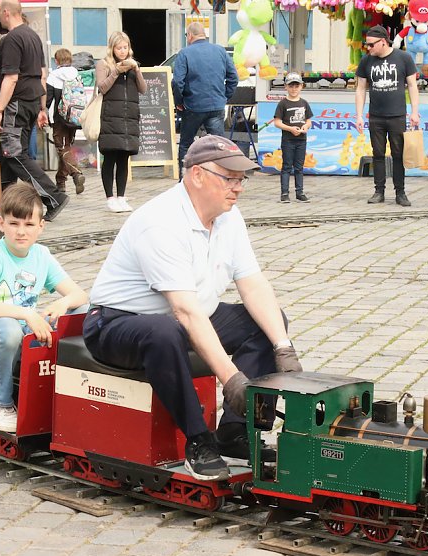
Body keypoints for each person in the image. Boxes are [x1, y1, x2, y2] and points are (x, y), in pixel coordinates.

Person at [83, 135, 302, 481]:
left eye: (241, 178)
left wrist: (283, 347)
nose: (238, 187)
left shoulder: (229, 217)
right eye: (229, 177)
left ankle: (233, 432)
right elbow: (184, 311)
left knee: (270, 322)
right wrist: (231, 379)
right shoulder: (160, 222)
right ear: (197, 175)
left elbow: (253, 283)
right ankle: (198, 440)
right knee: (164, 331)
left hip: (189, 315)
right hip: (117, 323)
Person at [0, 182, 89, 432]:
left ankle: (66, 388)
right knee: (8, 329)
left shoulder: (41, 255)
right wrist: (28, 313)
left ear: (41, 226)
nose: (21, 232)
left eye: (29, 225)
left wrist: (61, 303)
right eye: (14, 223)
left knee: (81, 312)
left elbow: (79, 294)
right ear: (1, 224)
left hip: (23, 329)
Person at [0, 0, 69, 222]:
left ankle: (54, 197)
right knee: (5, 159)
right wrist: (42, 107)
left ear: (6, 13)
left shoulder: (12, 39)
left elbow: (11, 77)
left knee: (13, 153)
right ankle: (7, 208)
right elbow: (43, 74)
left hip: (16, 103)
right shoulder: (33, 37)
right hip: (32, 101)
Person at [354, 25, 420, 207]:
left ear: (383, 42)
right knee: (378, 154)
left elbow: (413, 86)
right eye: (366, 45)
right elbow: (360, 89)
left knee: (399, 154)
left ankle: (400, 192)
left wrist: (414, 111)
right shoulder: (366, 61)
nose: (368, 48)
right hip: (376, 115)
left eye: (371, 44)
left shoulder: (404, 57)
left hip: (397, 115)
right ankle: (379, 191)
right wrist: (359, 115)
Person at [172, 22, 238, 177]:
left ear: (189, 35)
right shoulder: (220, 51)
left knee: (186, 145)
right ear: (204, 35)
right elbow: (233, 77)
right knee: (219, 146)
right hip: (216, 106)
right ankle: (221, 178)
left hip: (193, 107)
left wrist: (179, 102)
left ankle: (184, 181)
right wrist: (224, 96)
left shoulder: (185, 53)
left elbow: (177, 82)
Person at [94, 32, 147, 213]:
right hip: (110, 117)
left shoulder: (133, 65)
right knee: (110, 157)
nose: (123, 51)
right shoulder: (104, 64)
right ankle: (110, 198)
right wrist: (116, 71)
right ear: (112, 48)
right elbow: (102, 87)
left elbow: (143, 89)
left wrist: (137, 70)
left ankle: (122, 197)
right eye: (119, 48)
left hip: (128, 118)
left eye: (125, 47)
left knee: (124, 158)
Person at [46, 48, 86, 195]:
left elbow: (48, 100)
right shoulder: (76, 74)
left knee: (63, 148)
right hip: (74, 117)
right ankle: (60, 181)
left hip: (59, 118)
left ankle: (76, 174)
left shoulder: (53, 76)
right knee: (66, 147)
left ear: (56, 61)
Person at [273, 72, 313, 203]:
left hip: (301, 140)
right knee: (286, 166)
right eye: (291, 86)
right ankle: (284, 193)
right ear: (286, 87)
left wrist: (305, 127)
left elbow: (308, 120)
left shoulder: (304, 103)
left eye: (296, 86)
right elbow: (277, 122)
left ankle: (299, 192)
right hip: (288, 140)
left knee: (299, 167)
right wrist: (290, 129)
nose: (294, 89)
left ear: (302, 86)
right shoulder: (283, 104)